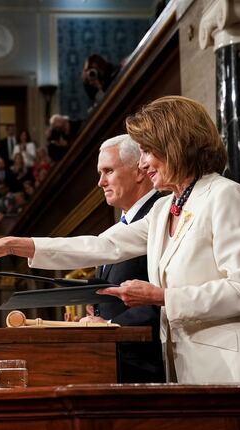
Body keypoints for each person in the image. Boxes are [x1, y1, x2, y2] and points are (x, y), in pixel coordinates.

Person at [0, 96, 240, 384]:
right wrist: (14, 244)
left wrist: (162, 297)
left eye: (147, 151)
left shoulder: (224, 195)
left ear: (175, 145)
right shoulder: (166, 208)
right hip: (190, 370)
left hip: (238, 370)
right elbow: (103, 246)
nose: (142, 164)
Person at [81, 134, 163, 383]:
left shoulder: (161, 215)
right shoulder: (118, 227)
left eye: (108, 171)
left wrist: (108, 324)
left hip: (148, 366)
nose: (100, 182)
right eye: (100, 173)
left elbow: (163, 296)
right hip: (116, 361)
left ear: (139, 171)